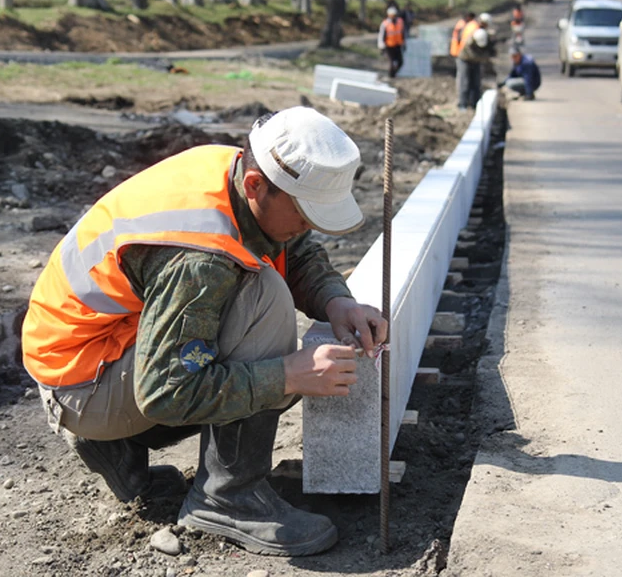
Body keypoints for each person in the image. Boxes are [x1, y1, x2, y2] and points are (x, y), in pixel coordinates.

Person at [22, 107, 388, 557]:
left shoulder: (235, 172)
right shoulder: (198, 258)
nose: (310, 225)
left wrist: (336, 300)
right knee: (264, 298)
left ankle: (119, 446)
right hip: (84, 387)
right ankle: (227, 497)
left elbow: (292, 243)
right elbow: (166, 392)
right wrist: (288, 376)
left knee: (246, 290)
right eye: (306, 212)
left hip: (90, 358)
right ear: (257, 185)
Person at [456, 12, 494, 110]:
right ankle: (463, 104)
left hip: (473, 60)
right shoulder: (473, 33)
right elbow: (471, 53)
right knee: (465, 82)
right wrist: (483, 58)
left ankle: (475, 104)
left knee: (476, 82)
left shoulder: (479, 31)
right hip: (464, 59)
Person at [378, 6, 407, 78]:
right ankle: (391, 76)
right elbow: (381, 36)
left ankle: (394, 74)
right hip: (389, 46)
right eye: (392, 15)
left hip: (397, 45)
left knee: (400, 62)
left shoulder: (400, 22)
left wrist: (404, 43)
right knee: (391, 63)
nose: (393, 17)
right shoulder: (385, 24)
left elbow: (402, 33)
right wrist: (381, 47)